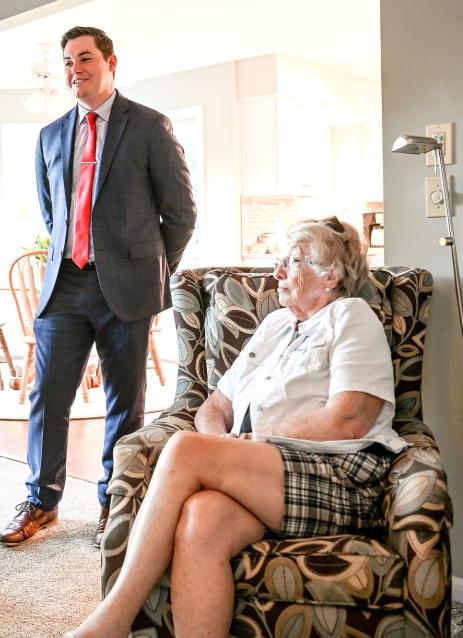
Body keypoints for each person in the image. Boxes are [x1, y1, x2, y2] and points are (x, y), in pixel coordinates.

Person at [68, 218, 403, 637]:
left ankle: (113, 619)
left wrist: (245, 445)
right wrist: (223, 451)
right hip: (266, 473)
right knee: (200, 518)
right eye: (280, 261)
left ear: (331, 275)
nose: (277, 272)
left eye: (293, 262)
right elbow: (214, 406)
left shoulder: (351, 316)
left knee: (184, 450)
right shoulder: (276, 325)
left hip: (340, 477)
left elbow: (351, 419)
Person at [0, 26, 197, 549]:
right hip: (64, 284)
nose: (73, 69)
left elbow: (180, 213)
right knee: (47, 397)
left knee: (123, 402)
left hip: (125, 288)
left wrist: (150, 268)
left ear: (111, 62)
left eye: (84, 58)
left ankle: (116, 498)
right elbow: (52, 212)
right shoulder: (50, 135)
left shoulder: (151, 126)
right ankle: (41, 500)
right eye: (67, 61)